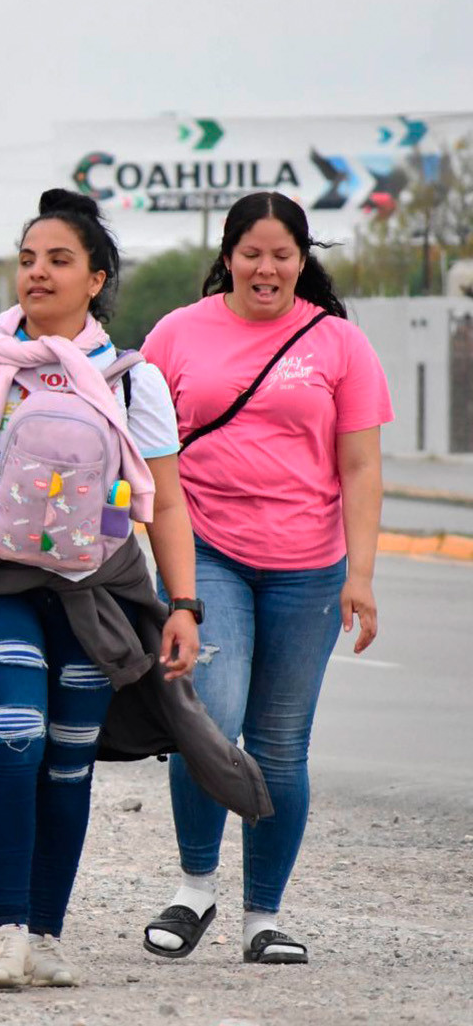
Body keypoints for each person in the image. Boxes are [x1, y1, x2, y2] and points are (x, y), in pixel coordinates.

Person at [0, 190, 260, 989]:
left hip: (95, 592)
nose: (38, 273)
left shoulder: (135, 383)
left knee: (67, 760)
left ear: (96, 279)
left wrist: (185, 605)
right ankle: (7, 929)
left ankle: (50, 935)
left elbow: (166, 505)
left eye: (59, 260)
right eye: (28, 260)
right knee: (12, 733)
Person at [138, 191, 391, 967]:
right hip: (205, 551)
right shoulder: (177, 334)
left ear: (302, 261)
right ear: (226, 256)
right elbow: (147, 449)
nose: (267, 268)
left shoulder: (340, 343)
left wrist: (362, 574)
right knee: (206, 723)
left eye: (283, 254)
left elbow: (360, 465)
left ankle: (263, 916)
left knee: (280, 745)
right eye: (252, 252)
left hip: (309, 569)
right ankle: (193, 889)